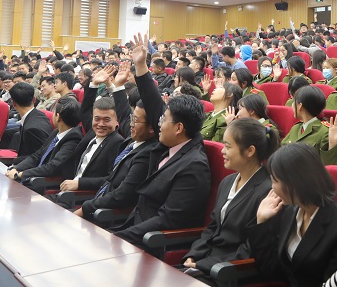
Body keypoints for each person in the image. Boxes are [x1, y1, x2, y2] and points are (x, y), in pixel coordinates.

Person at [114, 32, 211, 251]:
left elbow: (167, 220)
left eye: (163, 120)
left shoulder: (194, 166)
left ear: (178, 128)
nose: (158, 123)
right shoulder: (174, 141)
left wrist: (120, 237)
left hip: (154, 245)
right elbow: (152, 101)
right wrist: (141, 65)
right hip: (134, 228)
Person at [181, 119, 280, 277]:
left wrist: (204, 265)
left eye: (228, 146)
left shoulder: (267, 191)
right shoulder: (227, 182)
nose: (222, 151)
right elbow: (213, 227)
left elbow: (251, 247)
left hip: (229, 271)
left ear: (250, 151)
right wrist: (194, 255)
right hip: (206, 261)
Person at [249, 143, 337, 286]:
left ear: (294, 182)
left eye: (274, 180)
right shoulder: (289, 211)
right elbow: (271, 270)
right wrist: (261, 221)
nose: (272, 187)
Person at [76, 80, 160, 223]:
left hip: (108, 216)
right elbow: (123, 113)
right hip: (96, 202)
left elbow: (122, 195)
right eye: (131, 118)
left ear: (152, 127)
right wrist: (116, 85)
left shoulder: (147, 153)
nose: (130, 124)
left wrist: (85, 208)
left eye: (135, 120)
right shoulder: (132, 139)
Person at [5, 97, 84, 182]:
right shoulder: (56, 132)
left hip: (44, 183)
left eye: (54, 112)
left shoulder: (74, 139)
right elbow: (37, 155)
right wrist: (16, 168)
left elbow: (52, 167)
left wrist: (20, 174)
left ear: (58, 117)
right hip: (34, 177)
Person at [3, 82, 53, 162]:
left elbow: (37, 158)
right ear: (34, 99)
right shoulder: (40, 115)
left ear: (13, 103)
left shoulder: (32, 129)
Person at [282, 85, 330, 152]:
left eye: (294, 101)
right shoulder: (296, 128)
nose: (292, 105)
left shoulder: (324, 132)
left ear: (300, 106)